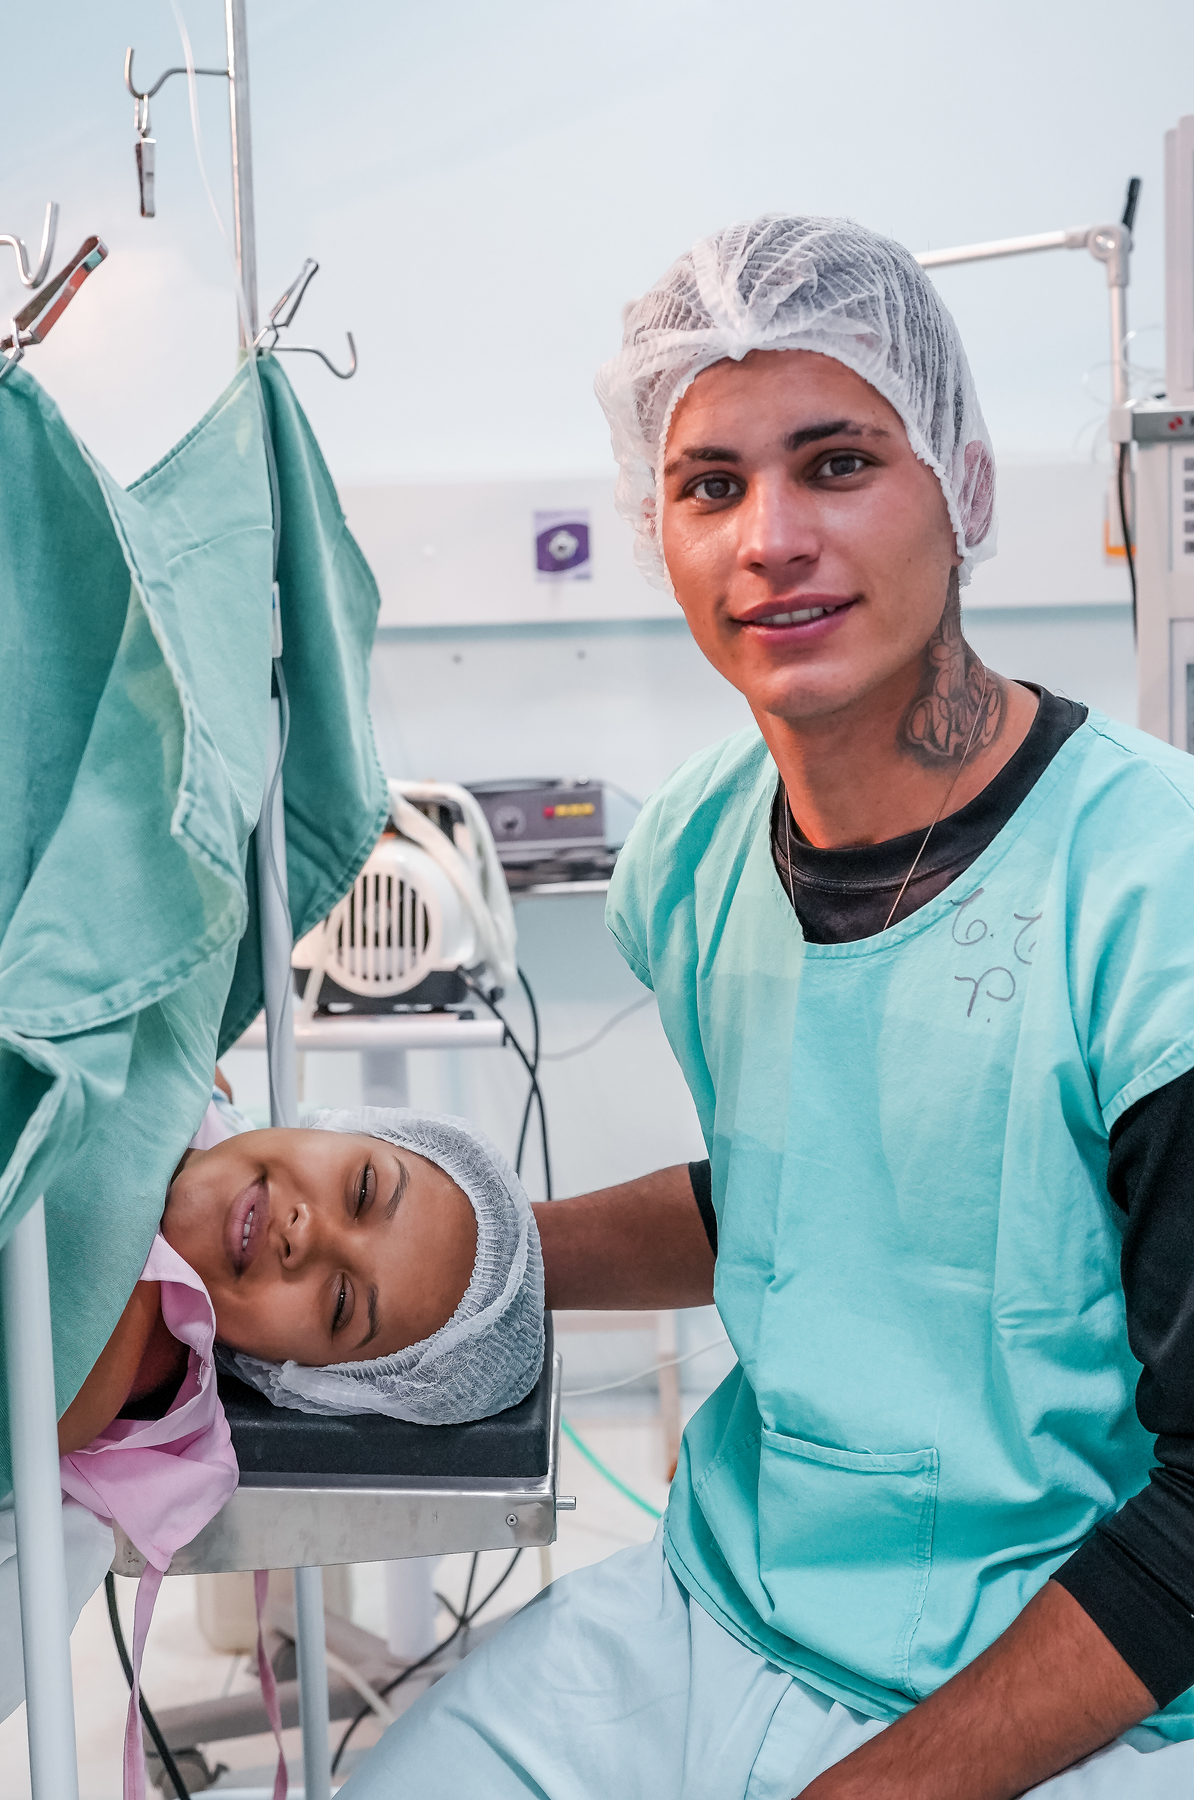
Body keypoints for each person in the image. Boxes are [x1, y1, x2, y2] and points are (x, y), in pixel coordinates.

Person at [339, 216, 1194, 1798]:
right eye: (711, 486)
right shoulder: (695, 853)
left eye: (838, 463)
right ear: (653, 528)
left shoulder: (1154, 893)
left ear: (968, 486)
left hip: (1083, 1682)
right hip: (725, 1606)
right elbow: (810, 1209)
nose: (771, 539)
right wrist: (468, 1263)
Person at [57, 1088, 545, 1453]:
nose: (306, 1233)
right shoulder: (199, 1083)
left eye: (340, 1303)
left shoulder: (85, 1371)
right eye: (363, 1190)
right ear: (340, 1128)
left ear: (296, 1375)